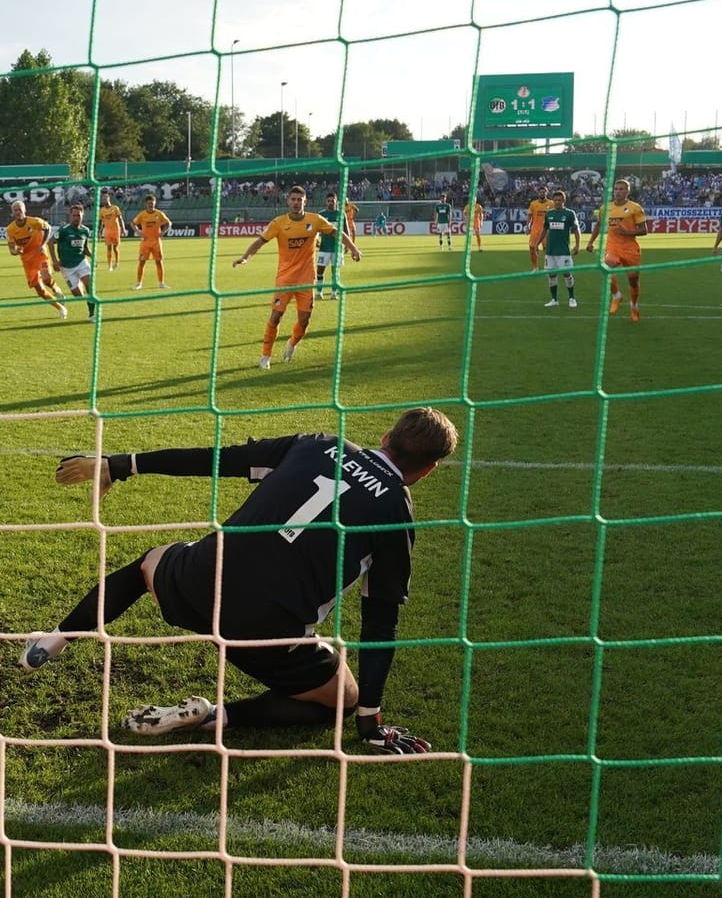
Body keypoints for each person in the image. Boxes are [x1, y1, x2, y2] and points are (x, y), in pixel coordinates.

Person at [23, 407, 459, 755]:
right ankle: (216, 716)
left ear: (386, 437)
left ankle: (51, 642)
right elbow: (380, 624)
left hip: (197, 584)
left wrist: (122, 465)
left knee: (148, 564)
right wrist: (369, 721)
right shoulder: (396, 515)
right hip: (264, 635)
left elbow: (219, 458)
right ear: (429, 469)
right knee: (342, 698)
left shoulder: (317, 445)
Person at [234, 186, 361, 369]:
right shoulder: (278, 223)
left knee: (304, 320)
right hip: (284, 280)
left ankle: (292, 344)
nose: (295, 203)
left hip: (306, 281)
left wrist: (354, 249)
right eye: (292, 199)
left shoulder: (315, 220)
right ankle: (265, 356)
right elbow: (260, 241)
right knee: (276, 316)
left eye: (299, 200)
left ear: (305, 202)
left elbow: (337, 233)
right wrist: (245, 257)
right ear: (288, 201)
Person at [5, 200, 68, 318]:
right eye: (15, 210)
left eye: (20, 209)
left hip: (40, 254)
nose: (18, 212)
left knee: (46, 277)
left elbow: (48, 228)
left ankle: (56, 289)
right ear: (12, 212)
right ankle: (60, 307)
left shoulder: (35, 222)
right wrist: (16, 251)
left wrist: (42, 244)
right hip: (27, 261)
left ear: (24, 210)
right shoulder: (10, 229)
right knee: (40, 291)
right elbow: (11, 250)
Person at [601, 179, 647, 322]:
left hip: (630, 249)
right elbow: (598, 224)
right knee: (606, 268)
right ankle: (616, 296)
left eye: (621, 189)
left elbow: (644, 230)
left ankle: (634, 306)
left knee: (633, 280)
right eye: (616, 189)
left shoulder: (635, 208)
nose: (618, 192)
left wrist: (625, 232)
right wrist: (590, 242)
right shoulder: (605, 208)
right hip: (613, 246)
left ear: (627, 192)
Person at [48, 201, 98, 316]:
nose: (76, 218)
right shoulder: (64, 230)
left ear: (82, 216)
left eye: (78, 215)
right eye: (74, 215)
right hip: (66, 267)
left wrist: (92, 257)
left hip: (81, 262)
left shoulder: (85, 230)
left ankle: (92, 314)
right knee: (78, 295)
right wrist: (54, 261)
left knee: (90, 286)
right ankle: (79, 287)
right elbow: (50, 243)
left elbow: (84, 248)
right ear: (70, 216)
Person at [538, 191, 580, 308]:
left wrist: (577, 245)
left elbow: (576, 230)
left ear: (563, 201)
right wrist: (537, 243)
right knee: (551, 275)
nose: (557, 202)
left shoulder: (570, 214)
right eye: (555, 200)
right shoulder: (549, 214)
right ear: (553, 201)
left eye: (559, 200)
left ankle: (572, 298)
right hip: (550, 250)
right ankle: (554, 299)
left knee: (566, 273)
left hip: (563, 251)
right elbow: (544, 230)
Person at [313, 189, 356, 300]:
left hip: (337, 249)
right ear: (326, 202)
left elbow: (346, 231)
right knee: (320, 270)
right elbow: (316, 230)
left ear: (336, 202)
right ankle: (319, 293)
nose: (331, 202)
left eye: (333, 200)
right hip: (324, 248)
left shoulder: (341, 214)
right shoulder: (321, 215)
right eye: (329, 200)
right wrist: (316, 239)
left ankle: (334, 293)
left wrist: (348, 245)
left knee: (335, 272)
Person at [132, 193, 171, 290]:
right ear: (146, 204)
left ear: (155, 203)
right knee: (142, 262)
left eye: (152, 203)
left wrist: (164, 231)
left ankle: (161, 283)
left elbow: (168, 223)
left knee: (159, 262)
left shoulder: (159, 214)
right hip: (145, 242)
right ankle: (139, 283)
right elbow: (133, 223)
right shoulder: (142, 214)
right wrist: (138, 232)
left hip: (156, 242)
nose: (151, 205)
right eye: (149, 203)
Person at [98, 189, 125, 272]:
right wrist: (100, 232)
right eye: (102, 199)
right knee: (109, 248)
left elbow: (120, 219)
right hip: (108, 231)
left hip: (116, 230)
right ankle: (109, 265)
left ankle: (116, 262)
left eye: (105, 199)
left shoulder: (115, 208)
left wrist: (123, 228)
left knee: (115, 248)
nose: (103, 201)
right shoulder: (102, 210)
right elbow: (101, 222)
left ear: (108, 199)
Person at [526, 189, 552, 271]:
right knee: (532, 248)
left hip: (547, 230)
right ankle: (535, 267)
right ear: (538, 193)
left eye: (544, 192)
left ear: (546, 193)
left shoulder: (551, 204)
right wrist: (528, 226)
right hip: (535, 230)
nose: (542, 193)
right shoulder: (533, 204)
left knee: (547, 250)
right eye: (540, 192)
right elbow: (529, 215)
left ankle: (547, 266)